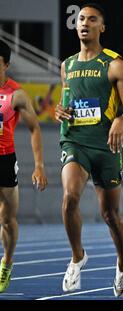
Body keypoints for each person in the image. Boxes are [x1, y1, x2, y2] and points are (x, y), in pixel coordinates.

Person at [55, 3, 123, 297]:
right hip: (75, 141)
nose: (84, 23)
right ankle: (78, 256)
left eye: (92, 19)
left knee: (110, 214)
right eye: (81, 19)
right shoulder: (66, 66)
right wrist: (60, 112)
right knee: (69, 198)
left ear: (101, 27)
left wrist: (119, 120)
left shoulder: (115, 64)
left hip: (106, 146)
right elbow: (67, 102)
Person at [0, 40, 48, 293]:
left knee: (6, 220)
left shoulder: (16, 95)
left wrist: (39, 166)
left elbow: (34, 129)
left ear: (6, 65)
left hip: (4, 160)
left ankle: (6, 262)